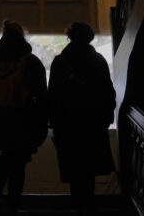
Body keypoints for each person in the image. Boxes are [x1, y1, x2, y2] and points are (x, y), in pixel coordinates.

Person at [48, 22, 116, 215]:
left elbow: (52, 94)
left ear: (70, 36)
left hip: (68, 124)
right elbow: (108, 93)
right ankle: (90, 204)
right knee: (90, 168)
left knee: (74, 168)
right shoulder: (98, 60)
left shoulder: (60, 62)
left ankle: (77, 204)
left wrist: (53, 121)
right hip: (93, 123)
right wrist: (106, 116)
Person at [0, 20, 48, 213]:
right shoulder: (31, 62)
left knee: (6, 157)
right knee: (17, 161)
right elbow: (42, 94)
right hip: (23, 120)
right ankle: (13, 201)